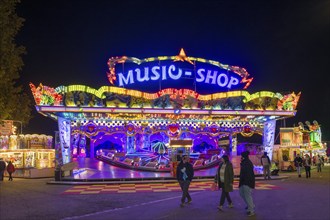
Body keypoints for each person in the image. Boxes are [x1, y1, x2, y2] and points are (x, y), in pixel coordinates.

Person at [239, 151, 256, 217]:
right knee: (241, 193)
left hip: (247, 182)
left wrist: (247, 182)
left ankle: (251, 210)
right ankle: (250, 205)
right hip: (243, 182)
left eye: (241, 156)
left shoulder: (247, 163)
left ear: (243, 157)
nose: (241, 157)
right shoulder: (244, 162)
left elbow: (247, 174)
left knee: (247, 195)